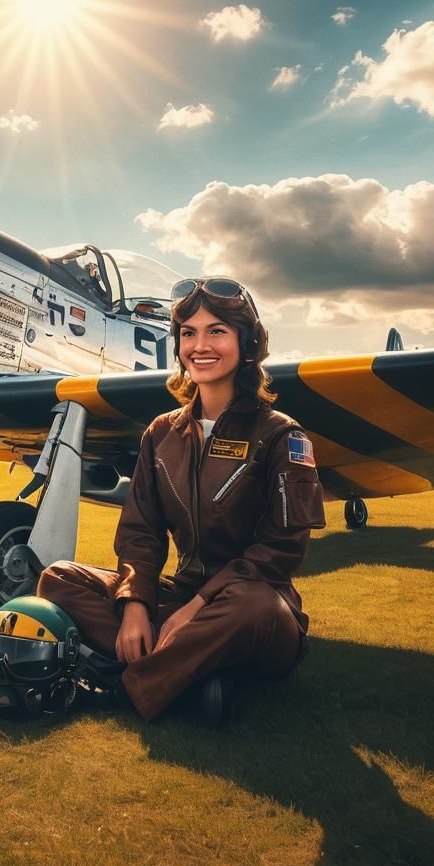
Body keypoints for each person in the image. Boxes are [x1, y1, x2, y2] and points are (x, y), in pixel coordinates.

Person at [37, 277, 325, 721]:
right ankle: (192, 673)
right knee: (57, 578)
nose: (200, 345)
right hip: (181, 597)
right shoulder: (161, 433)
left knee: (254, 605)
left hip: (254, 612)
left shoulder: (281, 435)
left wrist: (197, 607)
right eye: (188, 333)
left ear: (247, 344)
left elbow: (280, 553)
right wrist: (135, 603)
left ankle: (123, 687)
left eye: (217, 331)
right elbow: (139, 533)